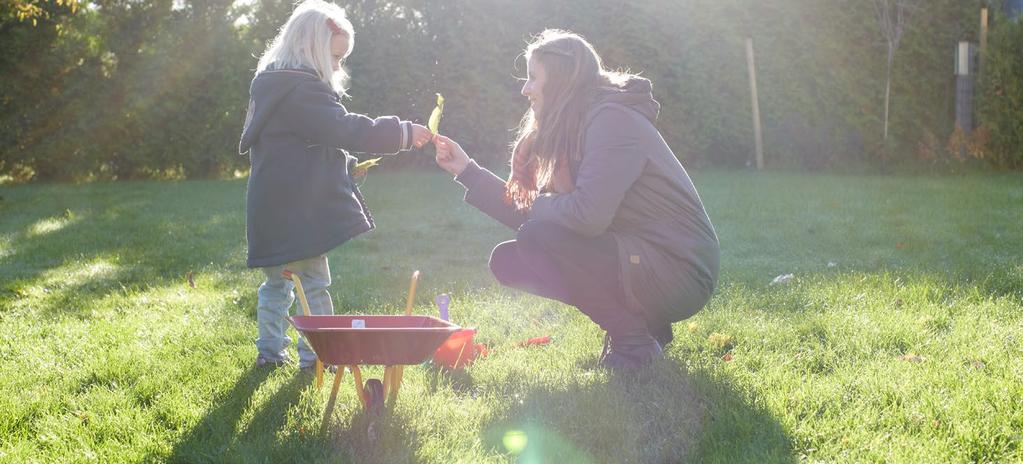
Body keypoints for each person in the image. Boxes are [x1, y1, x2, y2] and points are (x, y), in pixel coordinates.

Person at [433, 29, 720, 371]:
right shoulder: (576, 127)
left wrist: (534, 208)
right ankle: (643, 329)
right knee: (509, 260)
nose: (525, 89)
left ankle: (634, 342)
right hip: (641, 255)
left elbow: (586, 217)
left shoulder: (612, 120)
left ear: (560, 81)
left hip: (679, 271)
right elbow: (548, 219)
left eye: (532, 78)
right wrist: (466, 171)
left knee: (537, 237)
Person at [238, 0, 433, 370]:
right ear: (312, 49)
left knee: (277, 285)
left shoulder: (274, 88)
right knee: (313, 282)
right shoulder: (303, 91)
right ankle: (318, 355)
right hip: (299, 213)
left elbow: (301, 148)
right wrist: (402, 133)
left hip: (270, 209)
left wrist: (344, 166)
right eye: (336, 57)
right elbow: (345, 129)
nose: (339, 65)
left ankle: (269, 352)